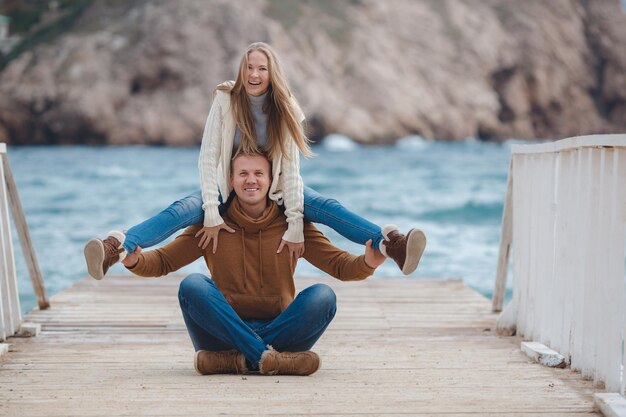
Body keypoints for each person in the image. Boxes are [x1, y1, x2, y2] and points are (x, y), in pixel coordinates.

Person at [84, 41, 426, 281]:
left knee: (327, 207)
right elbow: (207, 159)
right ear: (241, 69)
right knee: (179, 212)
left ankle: (392, 243)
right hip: (224, 185)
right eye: (249, 67)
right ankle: (115, 246)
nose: (254, 74)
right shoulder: (224, 99)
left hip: (273, 188)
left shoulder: (286, 108)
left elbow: (290, 171)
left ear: (271, 72)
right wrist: (212, 211)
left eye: (262, 68)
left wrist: (294, 226)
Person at [123, 152, 386, 376]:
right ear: (230, 180)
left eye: (259, 173)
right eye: (243, 174)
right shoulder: (212, 223)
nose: (251, 180)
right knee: (192, 285)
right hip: (221, 333)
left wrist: (368, 262)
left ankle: (235, 361)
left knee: (323, 296)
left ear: (272, 180)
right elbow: (164, 261)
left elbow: (340, 266)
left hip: (280, 330)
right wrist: (135, 260)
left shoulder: (293, 224)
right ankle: (269, 360)